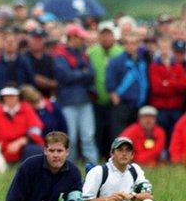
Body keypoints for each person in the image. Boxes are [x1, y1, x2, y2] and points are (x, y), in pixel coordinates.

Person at [3, 131, 83, 201]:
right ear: (45, 150)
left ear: (67, 152)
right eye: (51, 150)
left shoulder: (73, 172)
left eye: (59, 151)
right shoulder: (29, 167)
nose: (55, 155)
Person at [82, 137, 156, 201]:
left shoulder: (135, 170)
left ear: (132, 155)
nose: (124, 153)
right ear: (112, 154)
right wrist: (108, 199)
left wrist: (132, 196)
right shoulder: (98, 171)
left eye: (128, 150)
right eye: (120, 150)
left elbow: (149, 195)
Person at [53, 23, 98, 163]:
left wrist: (76, 73)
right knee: (70, 138)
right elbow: (64, 76)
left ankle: (94, 167)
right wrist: (81, 73)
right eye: (79, 37)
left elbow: (92, 73)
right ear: (72, 37)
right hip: (68, 101)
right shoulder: (60, 55)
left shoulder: (83, 54)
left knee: (88, 136)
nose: (82, 40)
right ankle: (69, 167)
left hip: (84, 100)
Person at [0, 86, 44, 171]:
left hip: (25, 147)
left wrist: (21, 141)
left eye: (12, 96)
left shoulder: (27, 110)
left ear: (18, 97)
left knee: (33, 150)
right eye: (7, 96)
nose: (10, 99)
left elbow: (36, 129)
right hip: (5, 148)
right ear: (3, 98)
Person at [86, 21, 123, 157]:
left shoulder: (121, 52)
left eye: (109, 35)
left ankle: (114, 156)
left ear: (114, 36)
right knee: (97, 130)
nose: (106, 38)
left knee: (114, 130)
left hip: (115, 100)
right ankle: (99, 156)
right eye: (103, 35)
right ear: (98, 36)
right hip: (97, 100)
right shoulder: (91, 52)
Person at [106, 33, 148, 139]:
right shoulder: (116, 61)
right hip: (122, 104)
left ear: (138, 44)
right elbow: (109, 81)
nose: (131, 46)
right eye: (128, 43)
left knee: (137, 135)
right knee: (119, 135)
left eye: (134, 43)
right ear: (124, 45)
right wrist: (114, 96)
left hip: (138, 104)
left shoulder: (142, 61)